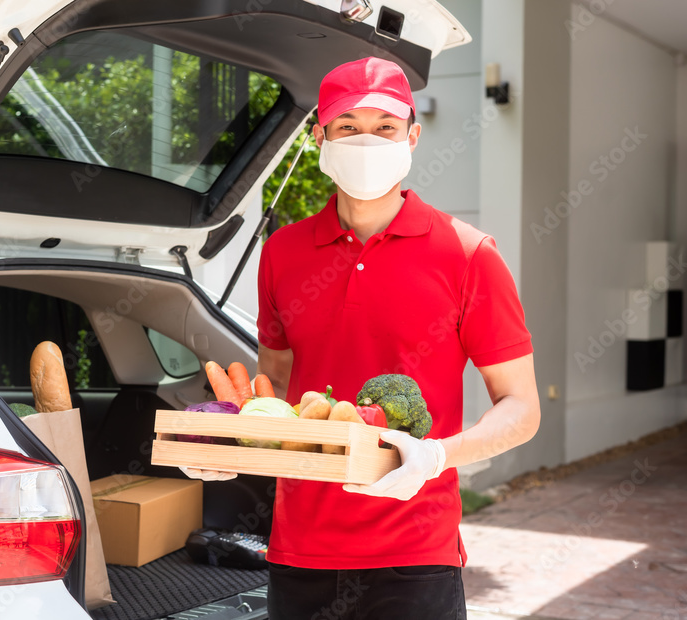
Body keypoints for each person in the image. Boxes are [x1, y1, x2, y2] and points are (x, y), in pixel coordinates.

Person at [186, 57, 541, 619]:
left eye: (385, 127)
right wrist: (228, 443)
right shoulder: (283, 253)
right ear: (319, 135)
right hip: (301, 549)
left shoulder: (469, 254)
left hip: (416, 552)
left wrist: (435, 455)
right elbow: (273, 391)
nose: (367, 141)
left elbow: (521, 408)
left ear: (412, 136)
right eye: (348, 126)